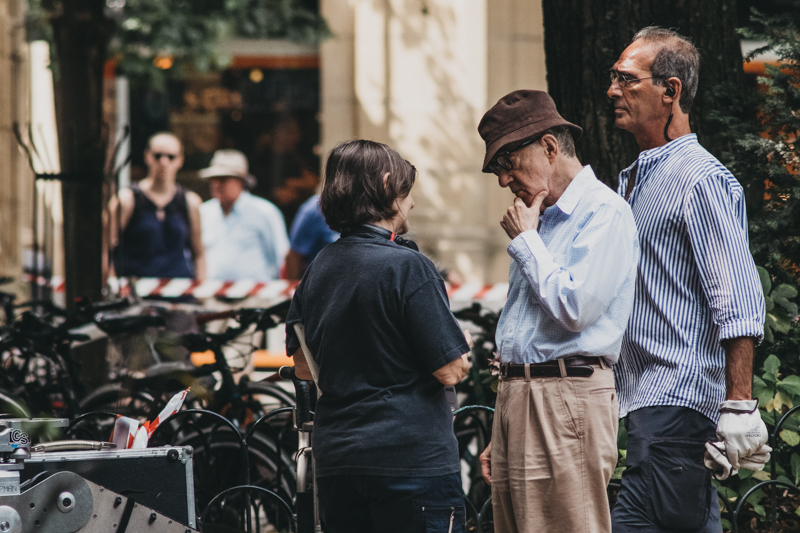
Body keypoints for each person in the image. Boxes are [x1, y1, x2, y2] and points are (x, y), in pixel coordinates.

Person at [607, 27, 769, 532]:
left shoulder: (700, 179)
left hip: (676, 402)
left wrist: (739, 405)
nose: (612, 90)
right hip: (648, 405)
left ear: (670, 91)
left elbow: (735, 295)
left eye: (626, 80)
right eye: (613, 78)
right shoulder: (635, 178)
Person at [285, 140, 472, 533]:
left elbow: (302, 367)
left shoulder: (319, 266)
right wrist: (461, 347)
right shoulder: (409, 266)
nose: (412, 203)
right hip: (410, 459)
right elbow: (450, 370)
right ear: (387, 186)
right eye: (408, 191)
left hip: (338, 461)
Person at [476, 90, 639, 533]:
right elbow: (523, 326)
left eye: (508, 162)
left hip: (567, 393)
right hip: (521, 395)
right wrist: (506, 421)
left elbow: (575, 308)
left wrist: (527, 243)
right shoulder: (537, 219)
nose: (503, 180)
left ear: (549, 146)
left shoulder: (604, 211)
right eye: (497, 168)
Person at [109, 132, 206, 280]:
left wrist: (201, 287)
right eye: (158, 156)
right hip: (135, 289)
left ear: (180, 160)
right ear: (147, 156)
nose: (164, 162)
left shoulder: (190, 201)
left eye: (171, 157)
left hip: (179, 289)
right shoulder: (128, 199)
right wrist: (112, 284)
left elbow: (199, 253)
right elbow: (106, 249)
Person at [199, 149, 289, 281]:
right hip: (211, 291)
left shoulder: (264, 212)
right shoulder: (204, 212)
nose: (216, 184)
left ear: (240, 181)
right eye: (213, 179)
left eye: (222, 179)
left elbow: (280, 258)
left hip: (257, 292)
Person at [284, 194, 339, 280]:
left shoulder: (359, 205)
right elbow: (294, 256)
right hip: (322, 282)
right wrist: (296, 286)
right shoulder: (316, 208)